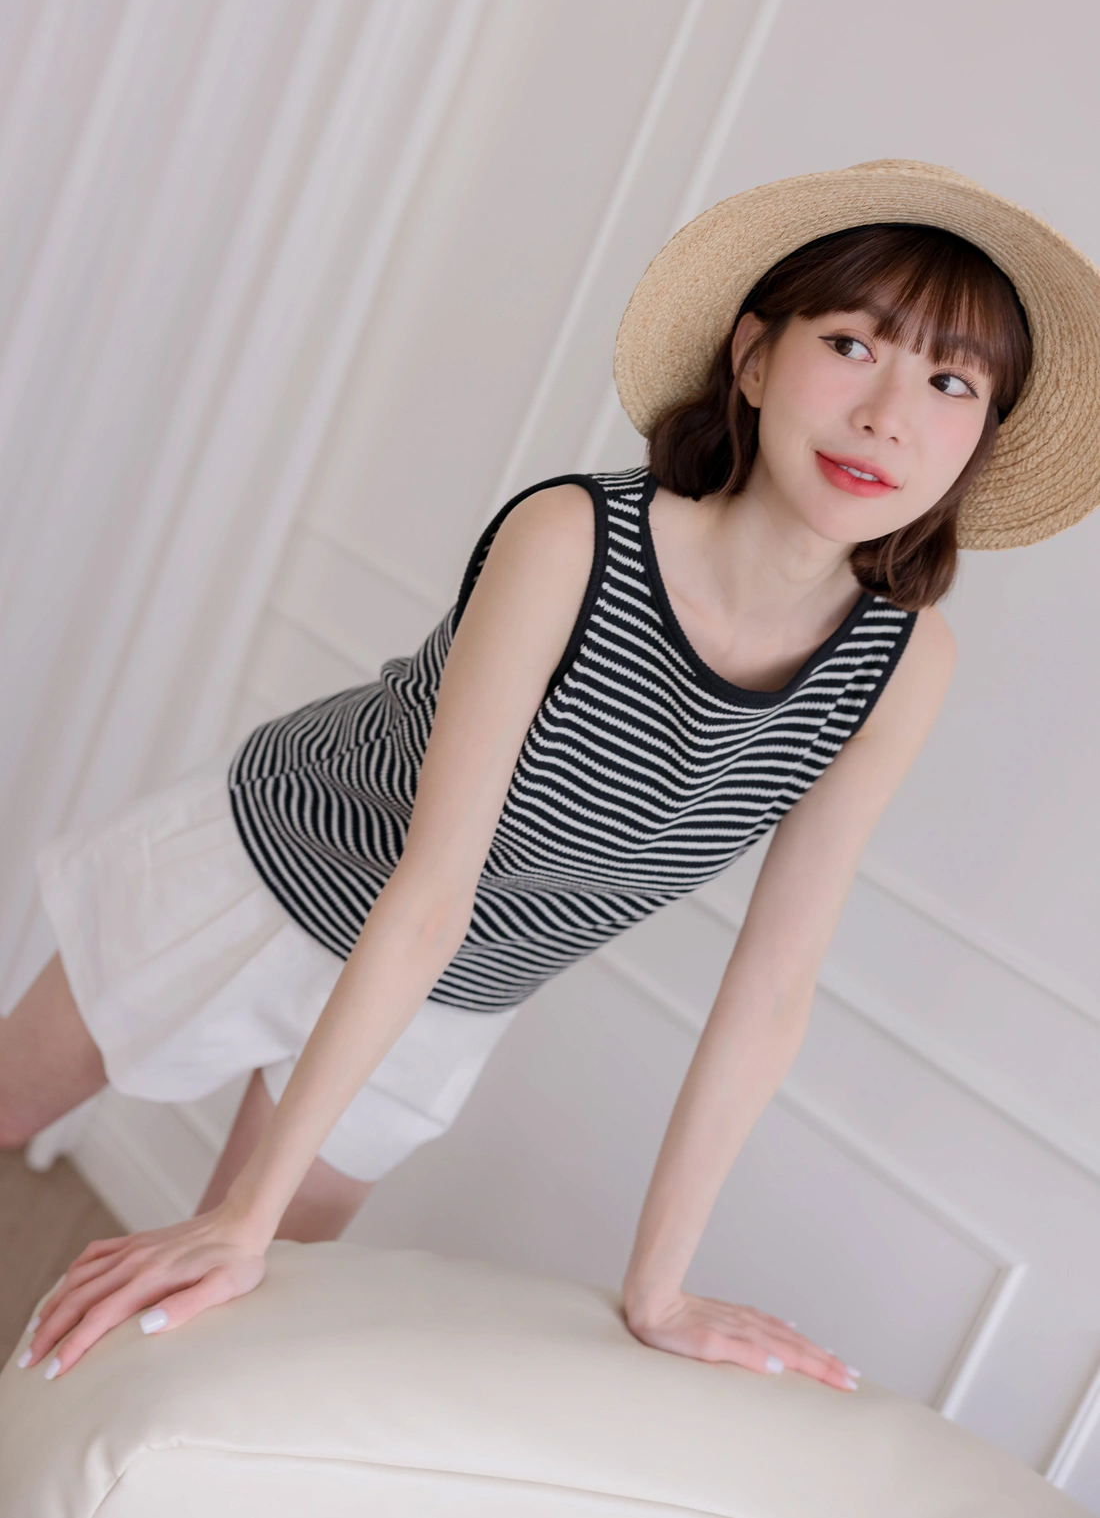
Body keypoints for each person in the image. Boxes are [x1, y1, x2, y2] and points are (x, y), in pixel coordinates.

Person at [7, 160, 1099, 1390]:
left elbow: (772, 983)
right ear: (751, 358)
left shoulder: (897, 663)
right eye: (849, 344)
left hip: (450, 988)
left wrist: (658, 1289)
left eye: (950, 382)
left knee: (218, 1313)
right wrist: (240, 1214)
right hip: (273, 866)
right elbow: (432, 888)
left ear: (979, 437)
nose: (887, 414)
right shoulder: (573, 537)